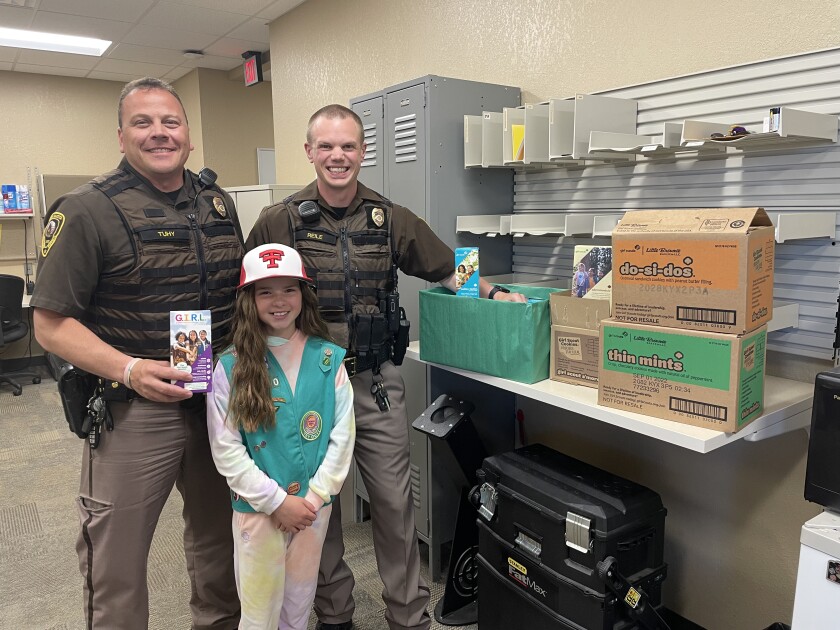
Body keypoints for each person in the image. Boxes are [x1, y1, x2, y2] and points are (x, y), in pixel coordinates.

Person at [246, 104, 525, 630]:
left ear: (362, 151)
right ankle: (334, 613)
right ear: (309, 152)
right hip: (304, 388)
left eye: (348, 146)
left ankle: (409, 616)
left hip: (373, 383)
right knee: (315, 507)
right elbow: (248, 296)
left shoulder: (389, 217)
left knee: (395, 506)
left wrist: (494, 292)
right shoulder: (277, 221)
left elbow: (447, 265)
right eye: (326, 146)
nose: (337, 156)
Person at [31, 77, 242, 629]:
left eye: (170, 122)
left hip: (213, 400)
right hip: (134, 411)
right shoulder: (85, 209)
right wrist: (129, 369)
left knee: (218, 545)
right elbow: (50, 324)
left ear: (189, 136)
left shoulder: (216, 203)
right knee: (115, 563)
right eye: (143, 123)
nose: (159, 134)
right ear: (121, 134)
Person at [208, 243, 355, 629]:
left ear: (303, 295)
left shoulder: (328, 359)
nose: (279, 301)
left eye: (289, 289)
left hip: (311, 508)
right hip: (259, 511)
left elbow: (343, 437)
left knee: (298, 606)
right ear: (248, 299)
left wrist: (316, 496)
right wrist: (276, 502)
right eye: (265, 291)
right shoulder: (230, 367)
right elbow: (227, 451)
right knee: (259, 613)